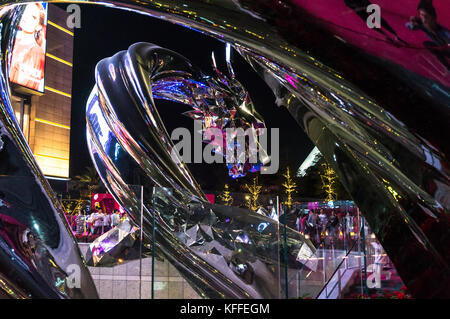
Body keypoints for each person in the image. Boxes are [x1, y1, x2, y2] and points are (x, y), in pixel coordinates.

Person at [9, 3, 46, 91]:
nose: (26, 17)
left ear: (38, 26)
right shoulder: (12, 40)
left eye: (33, 17)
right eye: (25, 12)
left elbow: (24, 82)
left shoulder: (36, 52)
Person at [406, 0, 450, 70]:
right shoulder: (423, 25)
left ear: (432, 17)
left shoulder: (444, 32)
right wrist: (413, 23)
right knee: (427, 44)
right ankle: (448, 67)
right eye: (421, 15)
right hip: (441, 48)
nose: (424, 19)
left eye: (426, 16)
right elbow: (409, 26)